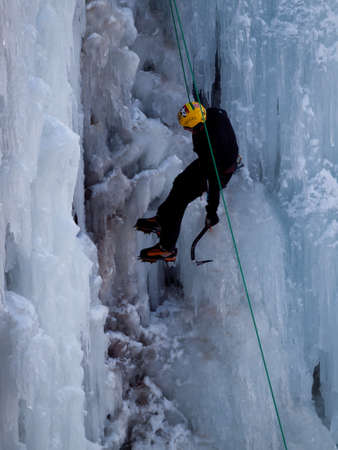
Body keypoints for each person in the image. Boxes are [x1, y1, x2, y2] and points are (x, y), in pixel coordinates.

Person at [136, 101, 239, 263]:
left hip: (219, 171)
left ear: (197, 126)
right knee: (179, 183)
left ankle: (167, 249)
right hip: (210, 162)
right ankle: (161, 220)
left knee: (180, 200)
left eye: (187, 127)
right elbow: (222, 112)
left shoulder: (211, 147)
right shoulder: (212, 114)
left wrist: (211, 212)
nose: (186, 130)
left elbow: (214, 182)